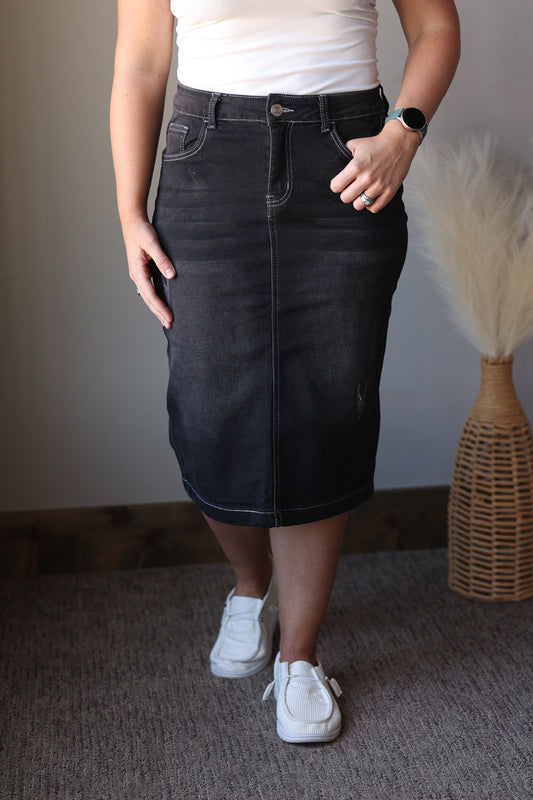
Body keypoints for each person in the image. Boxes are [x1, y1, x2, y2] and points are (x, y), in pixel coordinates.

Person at [110, 0, 460, 744]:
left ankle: (298, 658)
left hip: (344, 156)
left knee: (324, 412)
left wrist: (403, 133)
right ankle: (249, 588)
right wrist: (128, 213)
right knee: (207, 414)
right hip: (208, 161)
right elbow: (140, 64)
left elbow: (434, 28)